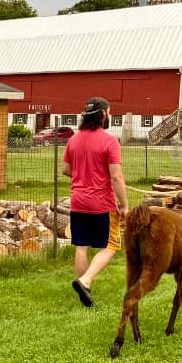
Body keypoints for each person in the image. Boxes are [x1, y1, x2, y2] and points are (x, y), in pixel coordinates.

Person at [62, 97, 128, 307]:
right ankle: (85, 280)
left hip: (78, 201)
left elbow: (65, 170)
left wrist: (84, 175)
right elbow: (116, 177)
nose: (110, 115)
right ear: (102, 115)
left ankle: (84, 289)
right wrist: (125, 205)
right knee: (112, 245)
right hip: (101, 203)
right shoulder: (110, 141)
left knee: (82, 246)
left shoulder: (74, 140)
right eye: (109, 112)